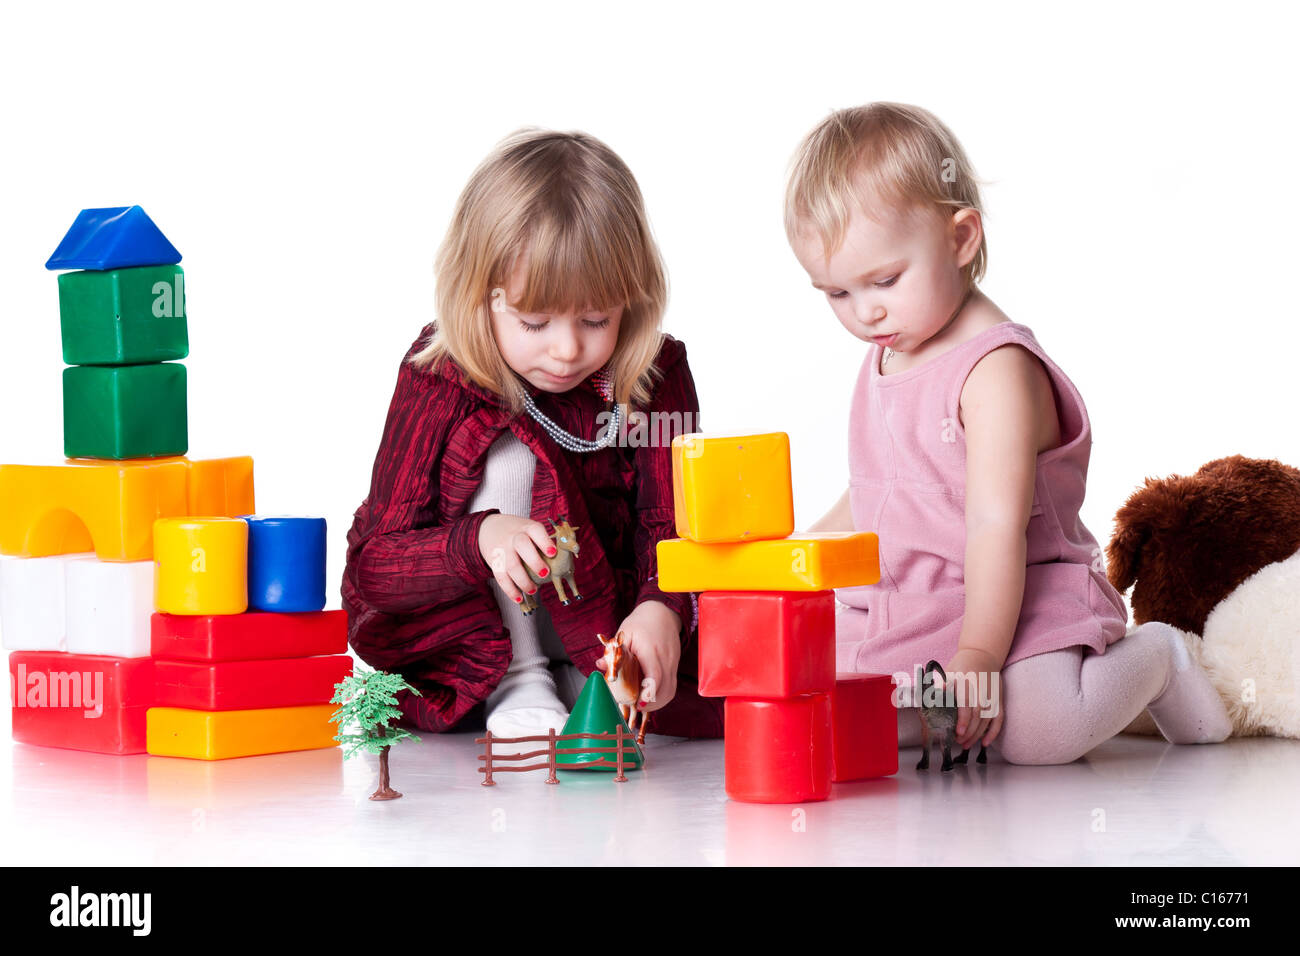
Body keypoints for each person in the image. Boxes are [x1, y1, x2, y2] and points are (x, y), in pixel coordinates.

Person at [785, 103, 1231, 764]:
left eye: (883, 281)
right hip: (920, 596)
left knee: (1040, 738)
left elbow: (996, 524)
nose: (864, 312)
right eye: (836, 294)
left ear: (961, 239)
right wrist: (792, 560)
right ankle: (958, 710)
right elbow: (876, 492)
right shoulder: (888, 348)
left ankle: (1159, 657)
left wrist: (979, 653)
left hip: (1020, 597)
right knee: (837, 703)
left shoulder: (994, 369)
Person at [342, 128, 722, 741]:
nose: (568, 349)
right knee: (514, 457)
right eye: (535, 321)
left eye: (597, 318)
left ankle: (581, 673)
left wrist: (661, 608)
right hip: (475, 626)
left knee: (715, 675)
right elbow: (374, 569)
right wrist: (479, 537)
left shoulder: (655, 369)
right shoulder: (439, 376)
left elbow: (669, 521)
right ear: (478, 296)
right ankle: (520, 676)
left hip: (599, 609)